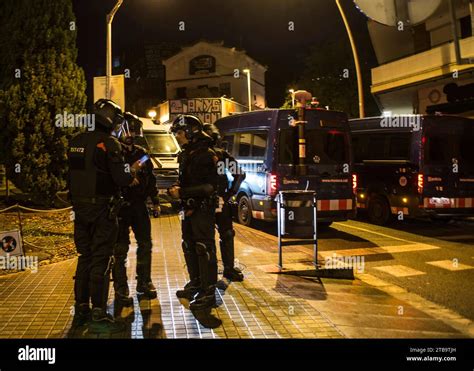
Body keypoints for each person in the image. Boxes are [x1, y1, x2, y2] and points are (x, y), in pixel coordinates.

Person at [68, 99, 137, 334]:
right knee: (101, 260)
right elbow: (122, 179)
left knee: (84, 258)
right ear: (110, 119)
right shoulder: (110, 143)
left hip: (80, 210)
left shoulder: (76, 141)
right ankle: (98, 310)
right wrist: (132, 170)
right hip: (102, 211)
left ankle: (81, 309)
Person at [168, 115, 221, 328]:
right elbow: (186, 179)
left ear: (191, 132)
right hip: (188, 209)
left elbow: (210, 187)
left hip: (203, 209)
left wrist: (182, 192)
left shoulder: (208, 155)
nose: (177, 137)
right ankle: (197, 283)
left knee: (204, 248)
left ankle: (208, 293)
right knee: (189, 246)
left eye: (179, 133)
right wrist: (177, 188)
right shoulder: (187, 154)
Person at [112, 112, 159, 305]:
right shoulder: (113, 151)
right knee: (120, 249)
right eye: (128, 129)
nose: (131, 133)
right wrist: (129, 171)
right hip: (121, 206)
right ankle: (121, 289)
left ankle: (144, 282)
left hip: (139, 205)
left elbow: (151, 177)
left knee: (145, 244)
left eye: (133, 130)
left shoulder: (142, 153)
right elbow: (113, 175)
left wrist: (155, 200)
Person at [203, 123, 245, 282]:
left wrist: (228, 195)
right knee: (210, 237)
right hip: (211, 201)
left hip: (217, 200)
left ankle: (223, 269)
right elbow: (239, 175)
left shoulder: (221, 155)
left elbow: (239, 174)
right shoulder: (201, 155)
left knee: (224, 234)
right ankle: (214, 271)